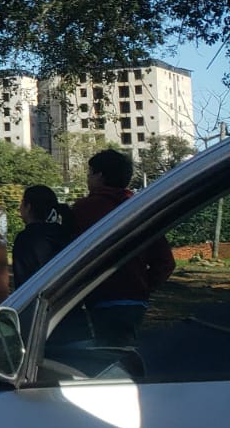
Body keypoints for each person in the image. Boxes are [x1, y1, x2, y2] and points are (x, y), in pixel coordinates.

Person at [70, 148, 175, 346]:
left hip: (100, 297)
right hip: (136, 300)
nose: (87, 179)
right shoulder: (141, 209)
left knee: (109, 357)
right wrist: (144, 287)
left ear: (99, 175)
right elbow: (165, 261)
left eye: (89, 173)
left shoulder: (84, 209)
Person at [12, 184, 71, 287]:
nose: (19, 208)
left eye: (22, 203)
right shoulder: (65, 233)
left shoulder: (25, 239)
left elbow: (22, 281)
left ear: (28, 207)